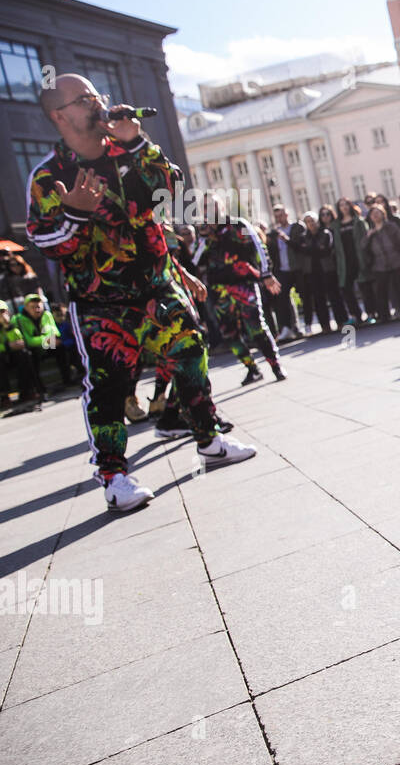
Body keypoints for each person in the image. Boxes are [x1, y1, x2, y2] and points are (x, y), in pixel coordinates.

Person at [27, 74, 254, 510]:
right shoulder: (49, 175)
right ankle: (114, 478)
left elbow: (171, 194)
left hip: (157, 286)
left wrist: (137, 142)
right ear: (60, 115)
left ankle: (210, 441)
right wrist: (74, 212)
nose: (97, 104)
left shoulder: (127, 152)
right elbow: (47, 244)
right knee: (110, 387)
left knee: (191, 352)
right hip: (100, 302)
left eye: (98, 95)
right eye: (84, 99)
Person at [193, 193, 286, 385]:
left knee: (256, 328)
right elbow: (195, 260)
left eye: (212, 205)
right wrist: (203, 237)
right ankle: (252, 369)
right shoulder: (205, 233)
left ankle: (275, 365)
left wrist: (266, 274)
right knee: (229, 333)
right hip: (220, 290)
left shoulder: (238, 225)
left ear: (221, 207)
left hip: (244, 285)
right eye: (204, 207)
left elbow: (258, 246)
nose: (208, 210)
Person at [298, 211, 348, 333]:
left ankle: (341, 321)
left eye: (312, 221)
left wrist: (311, 249)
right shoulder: (304, 237)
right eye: (308, 222)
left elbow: (326, 250)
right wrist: (314, 249)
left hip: (327, 269)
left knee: (334, 296)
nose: (311, 224)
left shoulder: (325, 233)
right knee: (318, 299)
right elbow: (304, 251)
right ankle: (325, 325)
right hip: (312, 271)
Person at [363, 203, 400, 321]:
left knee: (399, 287)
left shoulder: (391, 226)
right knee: (381, 290)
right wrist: (368, 237)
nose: (375, 216)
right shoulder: (370, 231)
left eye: (377, 213)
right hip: (379, 264)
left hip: (395, 260)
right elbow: (363, 248)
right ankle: (384, 315)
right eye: (373, 214)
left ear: (383, 214)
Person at [14, 292, 72, 396]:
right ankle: (39, 388)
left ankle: (67, 379)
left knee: (60, 347)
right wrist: (45, 340)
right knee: (29, 355)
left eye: (38, 306)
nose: (37, 310)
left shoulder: (47, 315)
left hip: (47, 345)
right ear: (26, 308)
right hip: (34, 348)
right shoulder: (19, 319)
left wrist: (49, 340)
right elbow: (28, 341)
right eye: (33, 307)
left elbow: (54, 332)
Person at [264, 204, 306, 342]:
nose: (279, 218)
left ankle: (305, 325)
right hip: (282, 269)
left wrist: (286, 239)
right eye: (276, 216)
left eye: (281, 215)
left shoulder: (297, 227)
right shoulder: (273, 233)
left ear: (287, 214)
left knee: (304, 295)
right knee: (282, 299)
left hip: (298, 267)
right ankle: (287, 328)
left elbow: (301, 246)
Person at [329, 199, 367, 323]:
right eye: (341, 205)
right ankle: (356, 315)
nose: (344, 207)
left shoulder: (358, 221)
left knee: (364, 285)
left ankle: (371, 312)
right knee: (346, 288)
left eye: (346, 205)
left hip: (359, 257)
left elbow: (365, 238)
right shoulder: (336, 225)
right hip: (344, 261)